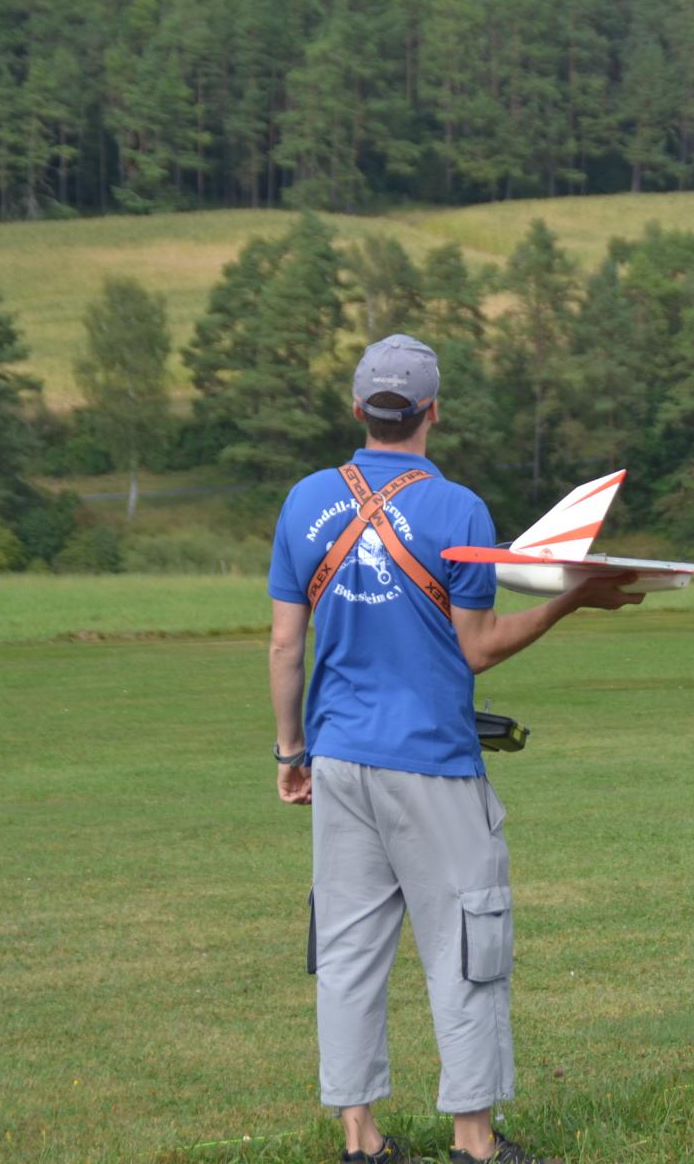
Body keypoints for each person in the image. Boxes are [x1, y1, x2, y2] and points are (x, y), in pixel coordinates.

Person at [268, 334, 640, 1164]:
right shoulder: (460, 508)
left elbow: (286, 646)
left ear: (358, 409)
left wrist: (292, 753)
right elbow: (476, 647)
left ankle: (361, 1140)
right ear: (432, 411)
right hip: (432, 761)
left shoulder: (303, 502)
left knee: (347, 953)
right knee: (469, 945)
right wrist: (569, 601)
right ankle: (474, 1142)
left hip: (338, 762)